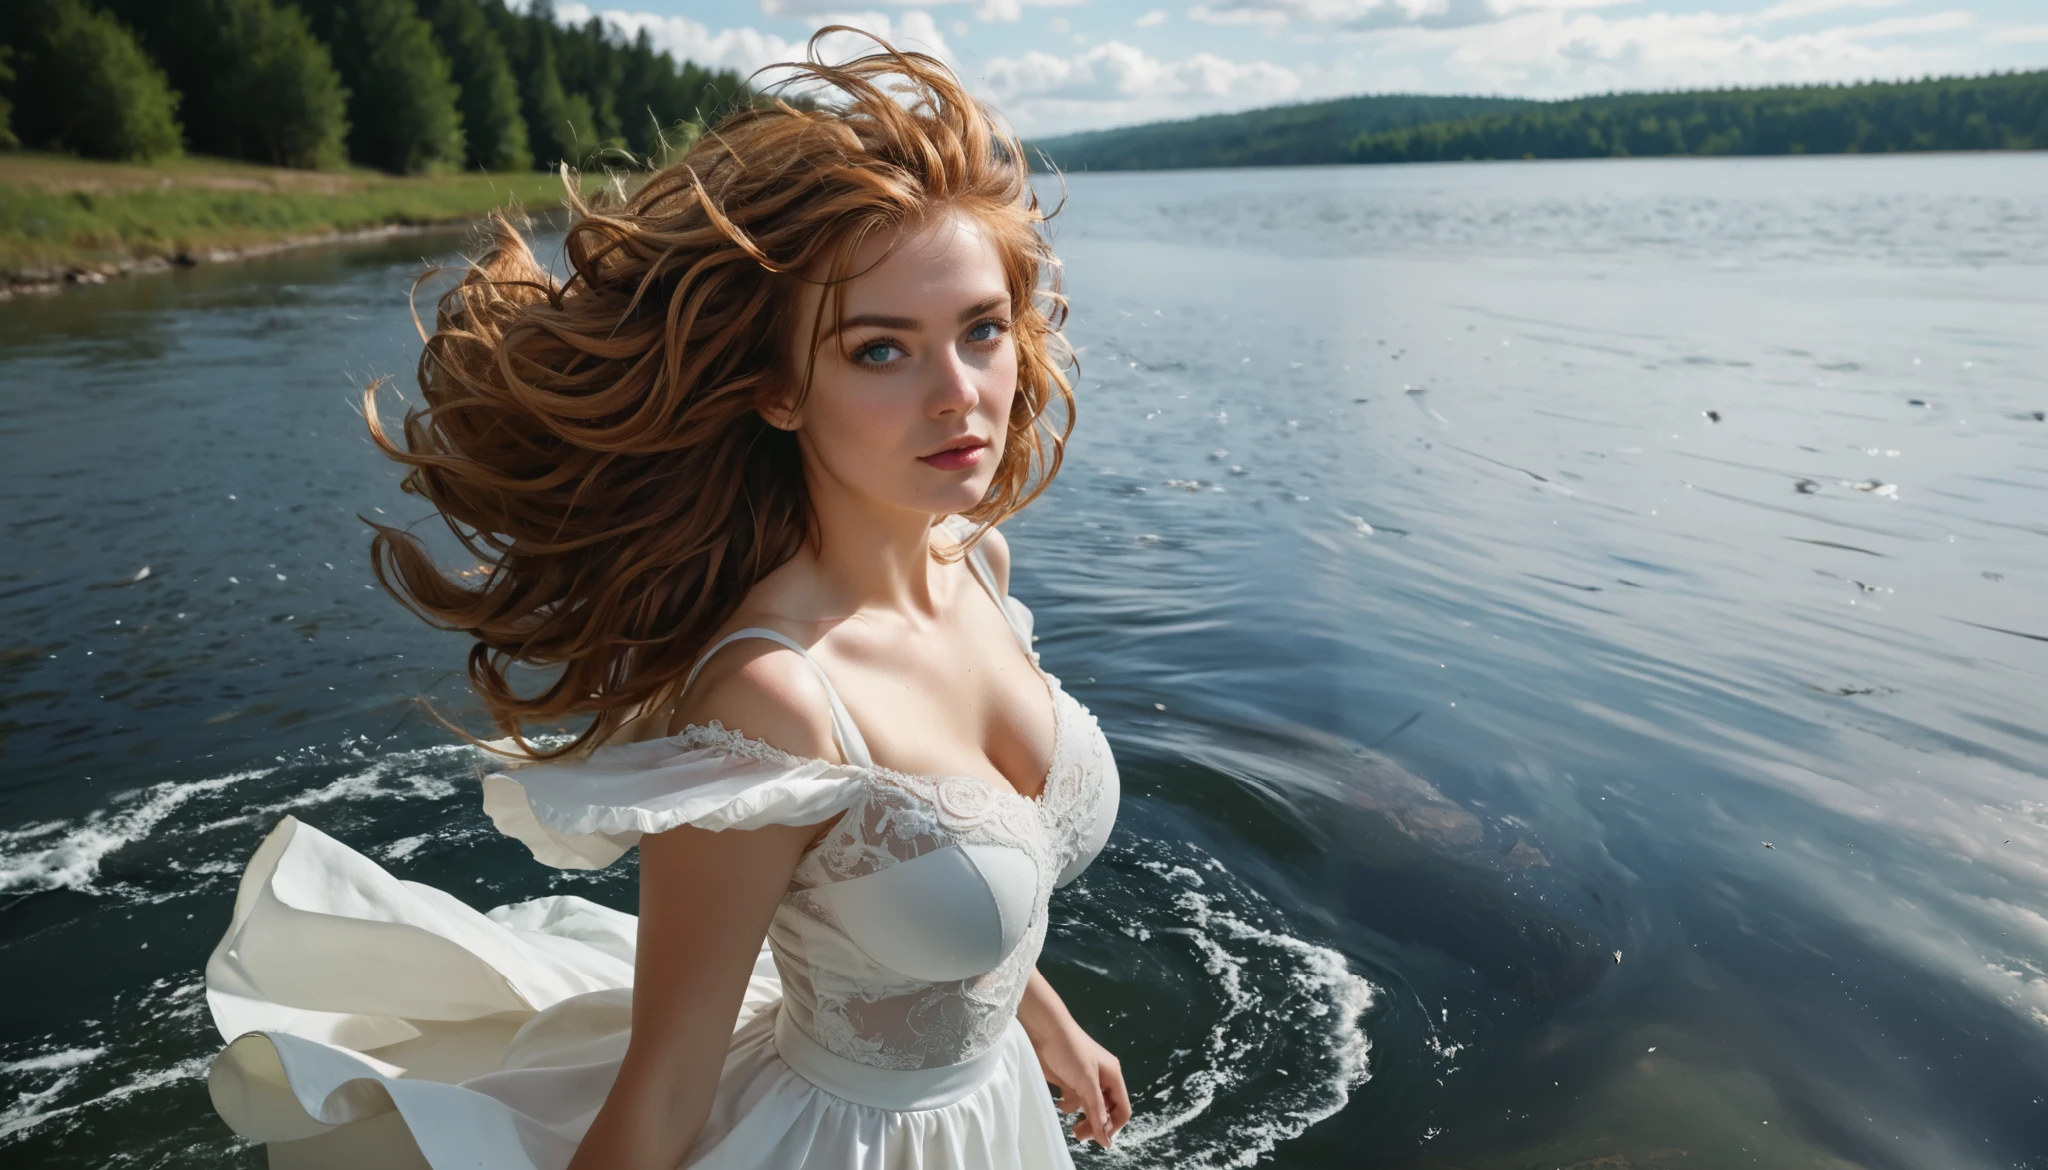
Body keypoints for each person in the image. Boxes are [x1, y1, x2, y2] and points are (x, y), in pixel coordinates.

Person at [198, 33, 1128, 1170]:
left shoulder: (972, 562)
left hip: (995, 1121)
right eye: (881, 350)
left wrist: (1047, 1020)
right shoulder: (772, 700)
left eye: (980, 329)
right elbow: (664, 1090)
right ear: (782, 391)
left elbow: (969, 859)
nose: (959, 396)